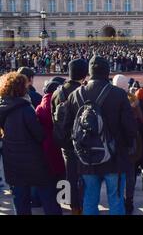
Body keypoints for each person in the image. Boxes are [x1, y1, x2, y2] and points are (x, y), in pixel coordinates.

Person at [64, 56, 138, 215]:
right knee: (116, 199)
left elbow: (66, 129)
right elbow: (130, 129)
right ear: (107, 71)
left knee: (90, 200)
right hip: (115, 158)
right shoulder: (118, 94)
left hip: (86, 158)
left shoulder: (75, 95)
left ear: (89, 72)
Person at [0, 72, 62, 215]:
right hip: (34, 163)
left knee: (21, 203)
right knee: (49, 200)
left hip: (12, 163)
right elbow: (39, 135)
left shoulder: (2, 109)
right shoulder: (25, 109)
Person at [51, 58, 88, 215]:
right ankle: (82, 204)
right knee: (85, 176)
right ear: (84, 75)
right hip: (82, 140)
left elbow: (53, 116)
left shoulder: (57, 92)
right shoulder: (84, 92)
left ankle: (70, 206)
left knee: (69, 174)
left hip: (64, 140)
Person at [112, 74, 143, 215]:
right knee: (130, 174)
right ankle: (128, 201)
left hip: (115, 143)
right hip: (130, 143)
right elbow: (140, 121)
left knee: (116, 174)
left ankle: (118, 201)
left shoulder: (109, 98)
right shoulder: (133, 100)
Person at [36, 77, 67, 195]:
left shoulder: (39, 107)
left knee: (51, 173)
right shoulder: (58, 104)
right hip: (58, 142)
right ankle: (64, 197)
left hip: (46, 143)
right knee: (63, 173)